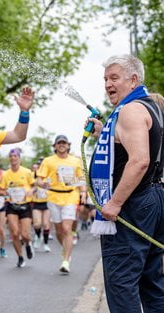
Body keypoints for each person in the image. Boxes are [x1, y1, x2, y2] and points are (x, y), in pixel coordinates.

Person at [88, 54, 164, 312]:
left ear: (133, 80)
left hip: (134, 204)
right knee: (152, 283)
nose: (108, 84)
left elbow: (140, 160)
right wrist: (104, 132)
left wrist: (115, 202)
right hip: (154, 198)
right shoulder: (150, 107)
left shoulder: (130, 110)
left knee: (122, 282)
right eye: (105, 79)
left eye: (114, 78)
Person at [36, 135, 86, 274]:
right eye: (59, 143)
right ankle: (65, 250)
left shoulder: (75, 161)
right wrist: (43, 183)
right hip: (53, 196)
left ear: (68, 145)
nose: (62, 145)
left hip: (70, 195)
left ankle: (66, 260)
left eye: (64, 143)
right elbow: (39, 180)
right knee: (58, 231)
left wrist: (83, 193)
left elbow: (81, 180)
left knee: (66, 228)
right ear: (55, 146)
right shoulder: (48, 161)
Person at [0, 148, 35, 267]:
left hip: (25, 205)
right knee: (14, 233)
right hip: (12, 205)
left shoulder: (27, 172)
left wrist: (30, 191)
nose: (13, 158)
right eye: (11, 156)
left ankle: (28, 244)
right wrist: (6, 193)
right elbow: (1, 189)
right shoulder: (6, 174)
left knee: (25, 235)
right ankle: (20, 257)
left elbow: (35, 186)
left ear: (19, 158)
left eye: (15, 156)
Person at [30, 160, 51, 252]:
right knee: (37, 224)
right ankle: (38, 237)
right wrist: (33, 188)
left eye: (38, 168)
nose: (36, 170)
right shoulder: (32, 177)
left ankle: (46, 244)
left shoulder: (48, 177)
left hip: (47, 202)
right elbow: (29, 186)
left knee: (46, 224)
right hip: (36, 203)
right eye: (34, 168)